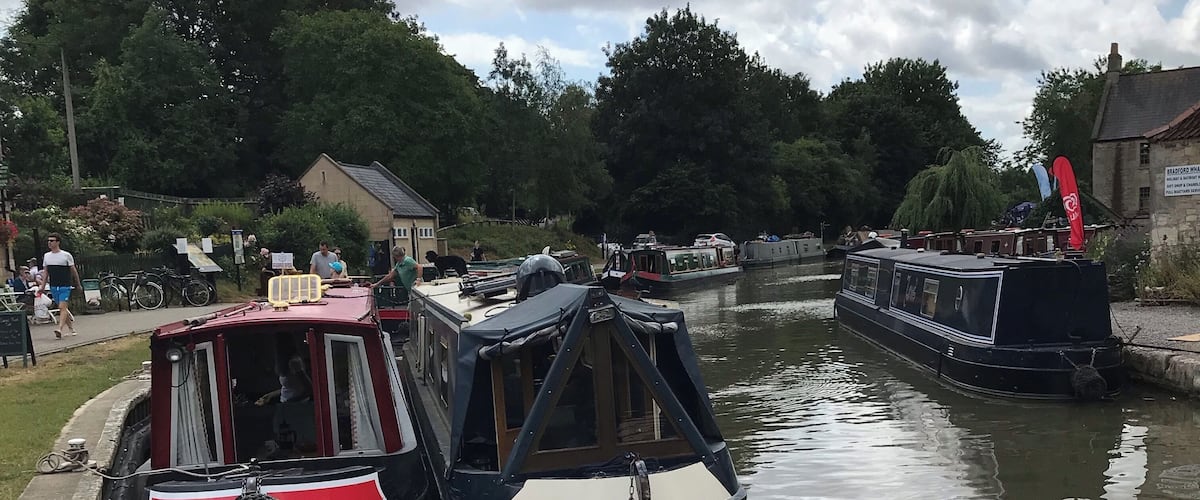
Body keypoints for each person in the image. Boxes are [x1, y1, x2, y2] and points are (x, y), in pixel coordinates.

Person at [36, 233, 82, 339]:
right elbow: (46, 272)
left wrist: (78, 284)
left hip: (65, 285)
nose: (49, 243)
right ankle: (71, 328)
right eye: (48, 241)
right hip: (54, 285)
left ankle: (59, 329)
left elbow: (73, 270)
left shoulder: (66, 255)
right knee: (63, 309)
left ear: (58, 242)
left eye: (52, 241)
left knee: (62, 307)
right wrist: (42, 286)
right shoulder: (47, 256)